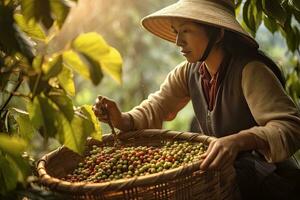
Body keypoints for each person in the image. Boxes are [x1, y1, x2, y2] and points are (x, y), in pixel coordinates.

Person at [93, 0, 300, 199]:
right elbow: (155, 108)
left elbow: (290, 127)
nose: (178, 41)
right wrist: (120, 118)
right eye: (176, 32)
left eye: (186, 31)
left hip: (269, 184)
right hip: (223, 181)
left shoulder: (250, 70)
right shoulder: (188, 72)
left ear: (217, 33)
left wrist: (238, 141)